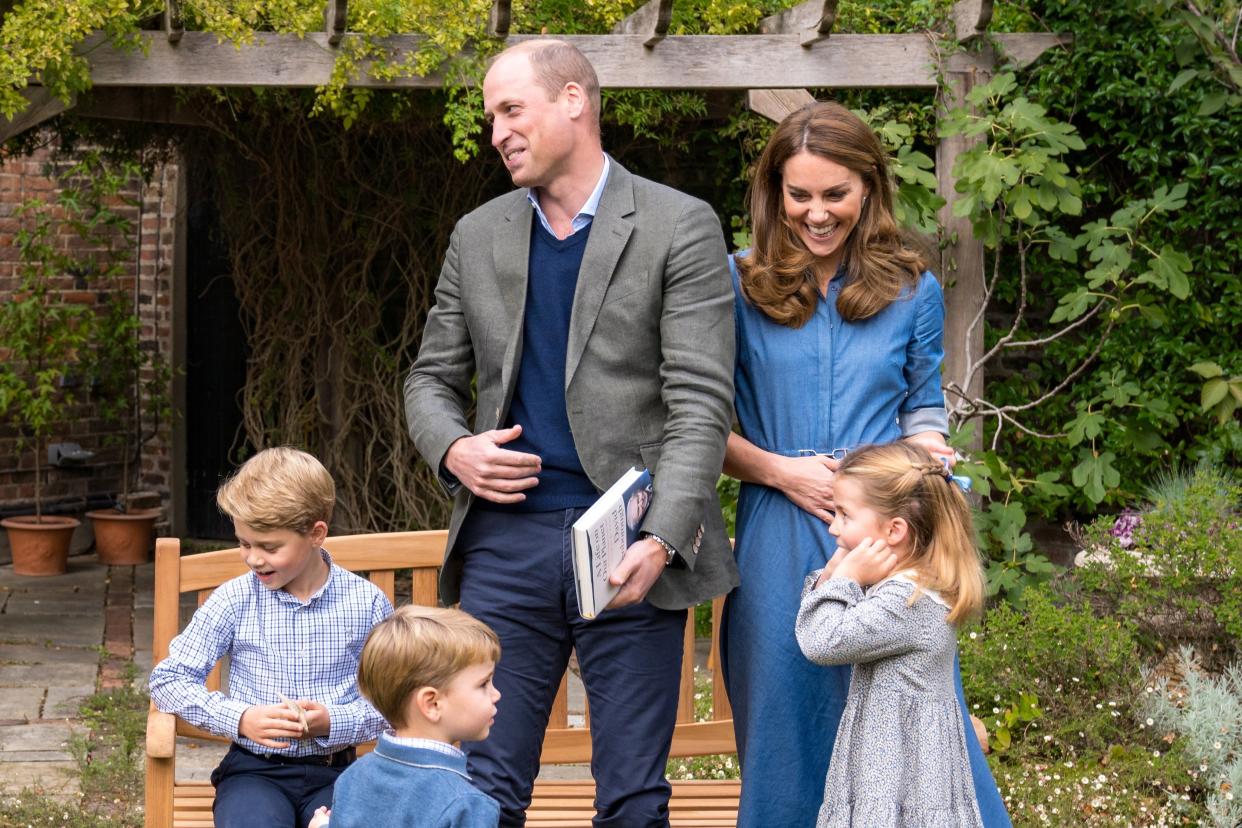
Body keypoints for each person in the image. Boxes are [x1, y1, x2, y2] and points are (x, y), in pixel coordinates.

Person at [403, 39, 737, 827]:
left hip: (629, 548)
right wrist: (455, 448)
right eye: (491, 117)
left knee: (631, 800)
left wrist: (660, 541)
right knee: (482, 791)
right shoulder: (476, 234)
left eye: (511, 109)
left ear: (574, 102)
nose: (496, 132)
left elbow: (700, 404)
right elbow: (426, 380)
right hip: (504, 548)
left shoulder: (678, 225)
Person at [720, 101, 1010, 826]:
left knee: (905, 716)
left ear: (870, 190)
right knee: (785, 719)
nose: (816, 214)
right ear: (775, 194)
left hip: (889, 540)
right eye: (800, 195)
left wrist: (927, 451)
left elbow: (921, 407)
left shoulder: (913, 289)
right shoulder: (735, 284)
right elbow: (699, 426)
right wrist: (781, 472)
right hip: (778, 536)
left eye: (835, 195)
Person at [147, 447, 393, 828]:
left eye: (269, 547)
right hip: (253, 773)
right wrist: (241, 718)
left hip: (338, 775)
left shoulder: (366, 604)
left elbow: (394, 703)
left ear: (316, 533)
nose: (253, 559)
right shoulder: (234, 599)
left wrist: (333, 721)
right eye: (244, 543)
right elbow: (168, 680)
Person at [795, 441, 987, 826]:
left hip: (900, 776)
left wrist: (843, 577)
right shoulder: (908, 587)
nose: (833, 526)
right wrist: (836, 576)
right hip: (900, 766)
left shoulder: (906, 600)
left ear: (894, 530)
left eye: (844, 514)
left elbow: (820, 640)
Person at [307, 606, 502, 828]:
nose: (496, 694)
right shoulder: (467, 807)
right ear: (432, 703)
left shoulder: (354, 777)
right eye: (484, 683)